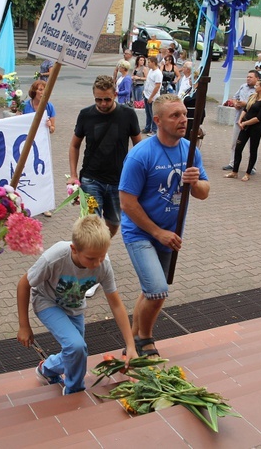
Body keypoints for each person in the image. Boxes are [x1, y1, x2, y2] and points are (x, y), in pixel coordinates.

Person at [119, 94, 210, 358]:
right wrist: (157, 232)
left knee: (152, 290)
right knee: (158, 290)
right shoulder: (140, 156)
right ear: (157, 120)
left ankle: (134, 338)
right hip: (141, 233)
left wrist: (196, 182)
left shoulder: (191, 151)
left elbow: (204, 192)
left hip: (170, 234)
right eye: (175, 115)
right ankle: (145, 338)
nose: (184, 120)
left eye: (184, 114)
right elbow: (127, 203)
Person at [16, 215, 138, 394]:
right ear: (74, 249)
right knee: (76, 347)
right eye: (90, 258)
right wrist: (24, 325)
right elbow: (23, 284)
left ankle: (47, 370)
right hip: (47, 301)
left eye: (101, 256)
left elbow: (117, 305)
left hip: (74, 307)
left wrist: (131, 346)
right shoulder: (55, 257)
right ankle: (74, 391)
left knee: (77, 353)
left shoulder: (103, 265)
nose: (96, 264)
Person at [69, 75, 141, 296]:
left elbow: (139, 146)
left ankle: (100, 251)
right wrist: (73, 176)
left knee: (113, 222)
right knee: (90, 224)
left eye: (107, 100)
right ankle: (91, 275)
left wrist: (140, 177)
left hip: (120, 182)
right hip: (91, 179)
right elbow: (74, 145)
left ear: (115, 95)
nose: (102, 104)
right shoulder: (85, 115)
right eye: (98, 99)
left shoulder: (128, 114)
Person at [22, 80, 56, 218]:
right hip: (26, 144)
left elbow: (53, 129)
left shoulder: (49, 106)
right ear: (34, 91)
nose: (42, 92)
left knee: (42, 173)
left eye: (44, 90)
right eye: (40, 89)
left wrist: (49, 125)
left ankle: (44, 205)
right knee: (27, 173)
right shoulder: (26, 106)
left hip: (42, 146)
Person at [226, 79, 261, 181]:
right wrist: (240, 120)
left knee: (253, 150)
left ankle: (248, 173)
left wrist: (245, 123)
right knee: (238, 147)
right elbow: (246, 109)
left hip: (255, 127)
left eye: (257, 85)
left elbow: (259, 118)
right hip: (244, 125)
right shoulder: (253, 97)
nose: (255, 87)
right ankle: (234, 171)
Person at [222, 70, 259, 171]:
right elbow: (235, 97)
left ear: (257, 79)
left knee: (252, 145)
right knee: (235, 142)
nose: (248, 79)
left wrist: (245, 104)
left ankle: (252, 167)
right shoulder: (243, 86)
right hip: (239, 119)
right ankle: (232, 163)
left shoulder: (258, 90)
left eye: (251, 77)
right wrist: (235, 104)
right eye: (247, 77)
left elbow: (258, 105)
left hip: (251, 121)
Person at [142, 56, 163, 134]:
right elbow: (148, 82)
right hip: (146, 95)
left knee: (153, 114)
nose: (148, 64)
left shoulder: (158, 73)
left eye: (149, 62)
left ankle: (154, 130)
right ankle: (147, 128)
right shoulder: (151, 70)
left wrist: (151, 97)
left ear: (154, 63)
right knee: (148, 113)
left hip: (153, 97)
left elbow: (157, 86)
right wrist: (144, 91)